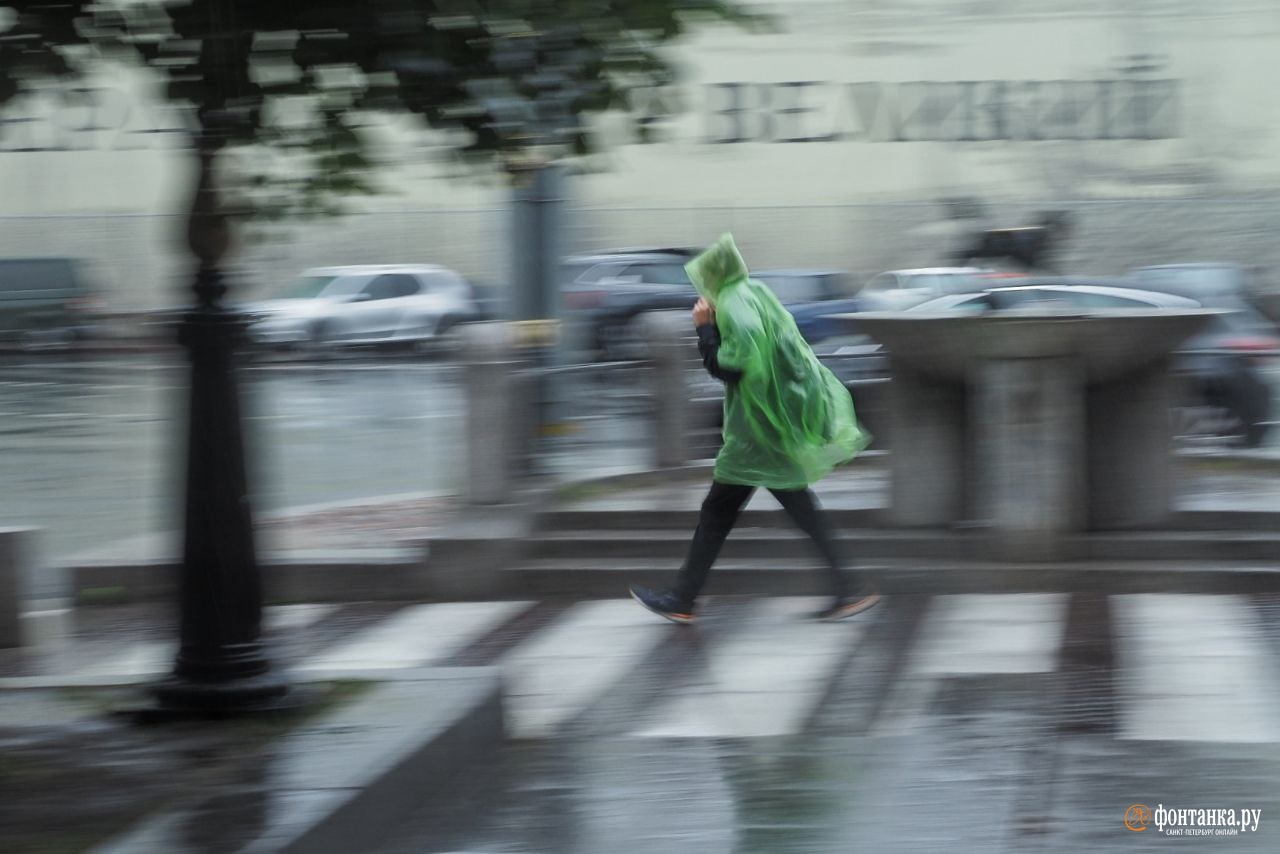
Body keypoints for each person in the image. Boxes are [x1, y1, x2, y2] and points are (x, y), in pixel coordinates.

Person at [629, 233, 881, 623]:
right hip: (770, 426)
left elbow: (731, 366)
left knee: (723, 513)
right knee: (760, 511)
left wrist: (704, 329)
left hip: (756, 433)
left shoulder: (731, 303)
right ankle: (847, 588)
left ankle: (683, 599)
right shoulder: (756, 291)